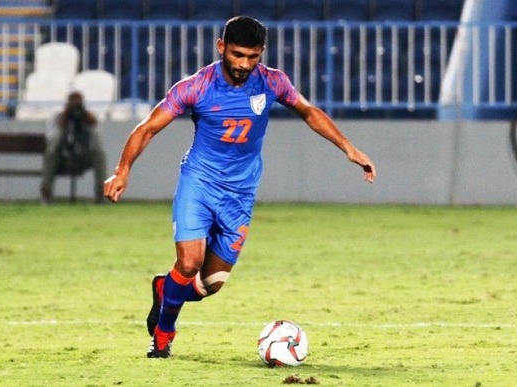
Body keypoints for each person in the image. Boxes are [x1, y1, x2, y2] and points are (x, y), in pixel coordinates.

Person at [103, 16, 376, 358]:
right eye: (237, 55)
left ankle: (164, 288)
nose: (244, 64)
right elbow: (146, 129)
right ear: (221, 47)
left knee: (209, 285)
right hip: (199, 183)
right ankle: (164, 334)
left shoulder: (272, 83)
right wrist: (122, 171)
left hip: (240, 193)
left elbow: (308, 111)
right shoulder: (195, 87)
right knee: (188, 264)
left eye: (252, 56)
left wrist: (349, 148)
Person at [41, 91, 107, 203]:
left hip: (83, 157)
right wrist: (64, 121)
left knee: (99, 156)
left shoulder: (87, 117)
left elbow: (98, 143)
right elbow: (52, 142)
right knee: (51, 155)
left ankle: (101, 195)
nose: (75, 108)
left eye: (79, 104)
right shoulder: (57, 117)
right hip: (63, 158)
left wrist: (90, 122)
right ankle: (46, 193)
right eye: (73, 104)